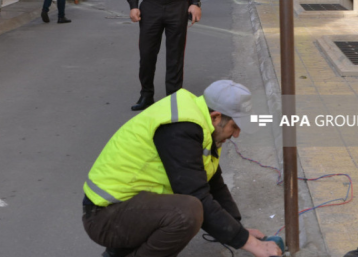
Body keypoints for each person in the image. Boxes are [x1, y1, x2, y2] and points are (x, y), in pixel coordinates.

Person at [82, 80, 282, 257]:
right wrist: (252, 245)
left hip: (127, 208)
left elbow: (212, 182)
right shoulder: (181, 129)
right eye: (234, 127)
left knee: (189, 208)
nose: (236, 135)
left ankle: (122, 251)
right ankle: (124, 248)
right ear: (216, 117)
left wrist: (239, 230)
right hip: (104, 216)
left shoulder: (201, 123)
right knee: (187, 212)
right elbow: (197, 195)